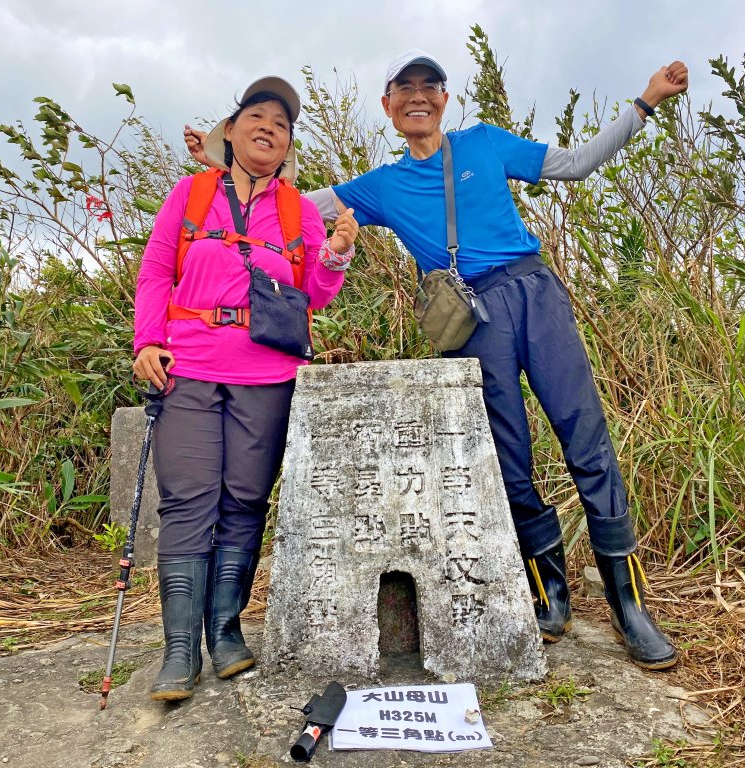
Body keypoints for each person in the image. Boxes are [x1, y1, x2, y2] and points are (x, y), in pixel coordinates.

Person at [188, 51, 687, 670]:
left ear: (445, 101)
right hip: (472, 318)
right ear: (388, 105)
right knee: (508, 455)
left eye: (431, 87)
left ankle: (627, 603)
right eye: (405, 89)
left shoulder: (485, 143)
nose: (418, 98)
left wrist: (646, 102)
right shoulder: (381, 186)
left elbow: (577, 164)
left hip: (534, 294)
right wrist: (225, 161)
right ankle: (548, 590)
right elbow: (290, 204)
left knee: (585, 437)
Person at [135, 76, 358, 701]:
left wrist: (335, 253)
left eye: (282, 124)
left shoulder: (298, 210)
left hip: (266, 374)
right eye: (256, 116)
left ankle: (225, 631)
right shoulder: (189, 193)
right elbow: (156, 272)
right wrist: (146, 341)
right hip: (188, 366)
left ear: (287, 146)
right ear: (229, 132)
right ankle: (179, 650)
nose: (269, 127)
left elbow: (312, 294)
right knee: (187, 499)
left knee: (244, 499)